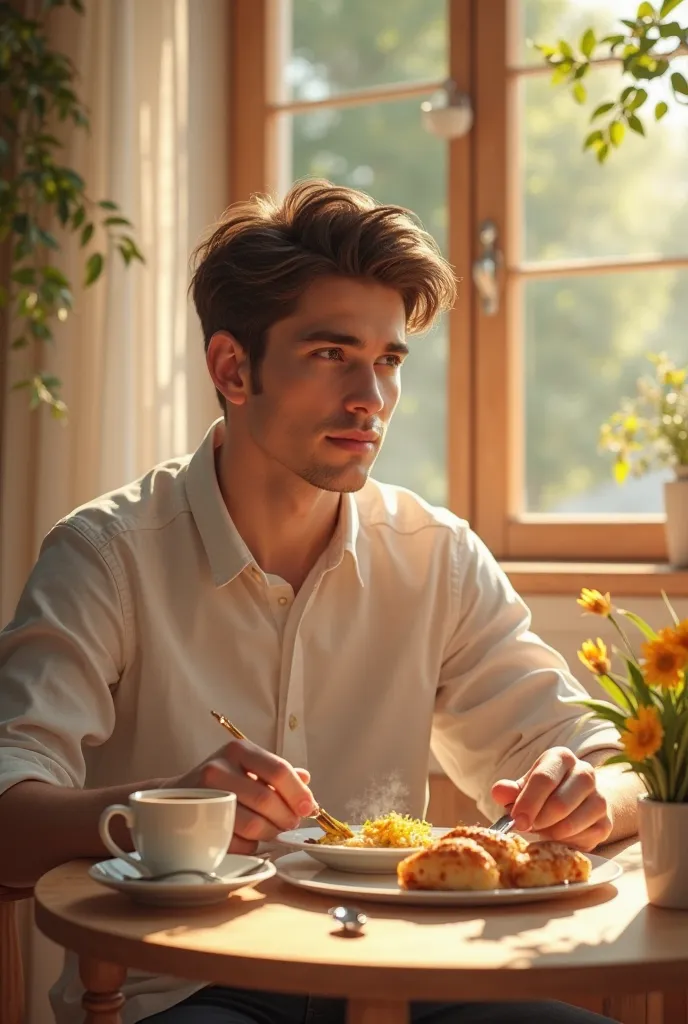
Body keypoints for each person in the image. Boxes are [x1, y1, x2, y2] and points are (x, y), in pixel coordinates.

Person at [0, 180, 640, 1024]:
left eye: (388, 361)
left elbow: (606, 757)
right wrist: (167, 810)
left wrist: (595, 791)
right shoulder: (105, 556)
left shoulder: (436, 555)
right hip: (181, 986)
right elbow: (9, 812)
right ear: (233, 368)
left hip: (401, 970)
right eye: (333, 354)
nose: (371, 401)